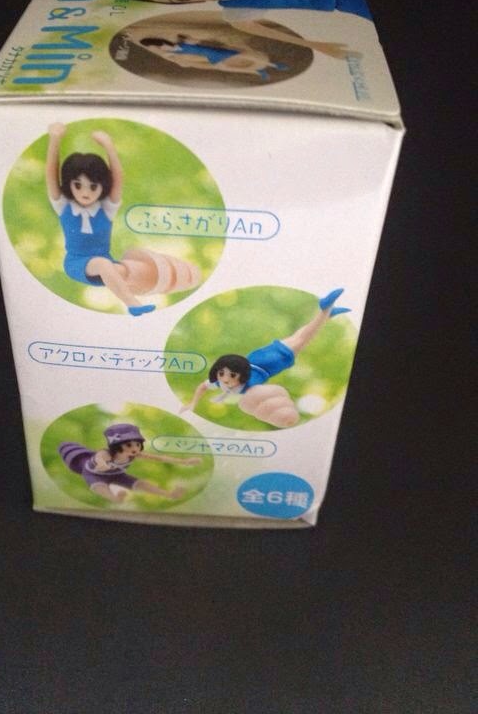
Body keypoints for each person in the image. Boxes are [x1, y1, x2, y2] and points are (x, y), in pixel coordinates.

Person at [46, 124, 200, 315]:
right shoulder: (64, 207)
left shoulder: (106, 209)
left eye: (93, 187)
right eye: (78, 185)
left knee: (125, 270)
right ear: (69, 185)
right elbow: (51, 174)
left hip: (108, 265)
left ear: (103, 186)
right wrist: (55, 139)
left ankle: (170, 277)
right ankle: (133, 304)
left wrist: (109, 145)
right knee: (104, 265)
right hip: (77, 263)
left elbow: (118, 177)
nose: (85, 192)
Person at [108, 0, 370, 59]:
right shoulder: (235, 15)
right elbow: (281, 37)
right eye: (177, 1)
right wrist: (321, 46)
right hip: (343, 7)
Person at [180, 289, 351, 428]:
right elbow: (203, 386)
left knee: (304, 338)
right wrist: (192, 403)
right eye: (222, 375)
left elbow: (263, 395)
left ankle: (325, 309)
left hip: (272, 362)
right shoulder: (221, 383)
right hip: (259, 356)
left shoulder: (248, 385)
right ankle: (328, 315)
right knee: (297, 336)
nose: (226, 380)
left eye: (231, 375)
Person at [58, 423, 201, 502]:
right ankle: (114, 498)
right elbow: (99, 458)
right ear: (116, 445)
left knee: (140, 483)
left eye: (137, 445)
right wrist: (102, 465)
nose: (135, 449)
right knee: (99, 486)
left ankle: (169, 494)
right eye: (128, 445)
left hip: (117, 474)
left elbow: (160, 458)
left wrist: (184, 461)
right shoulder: (107, 454)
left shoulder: (134, 455)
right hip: (94, 474)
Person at [137, 35, 289, 80]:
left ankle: (274, 65)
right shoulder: (173, 53)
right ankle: (257, 72)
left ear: (164, 43)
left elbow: (197, 40)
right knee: (225, 68)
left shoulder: (182, 43)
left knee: (247, 56)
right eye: (159, 48)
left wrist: (193, 40)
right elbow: (170, 57)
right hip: (212, 57)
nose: (161, 49)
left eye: (160, 46)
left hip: (219, 52)